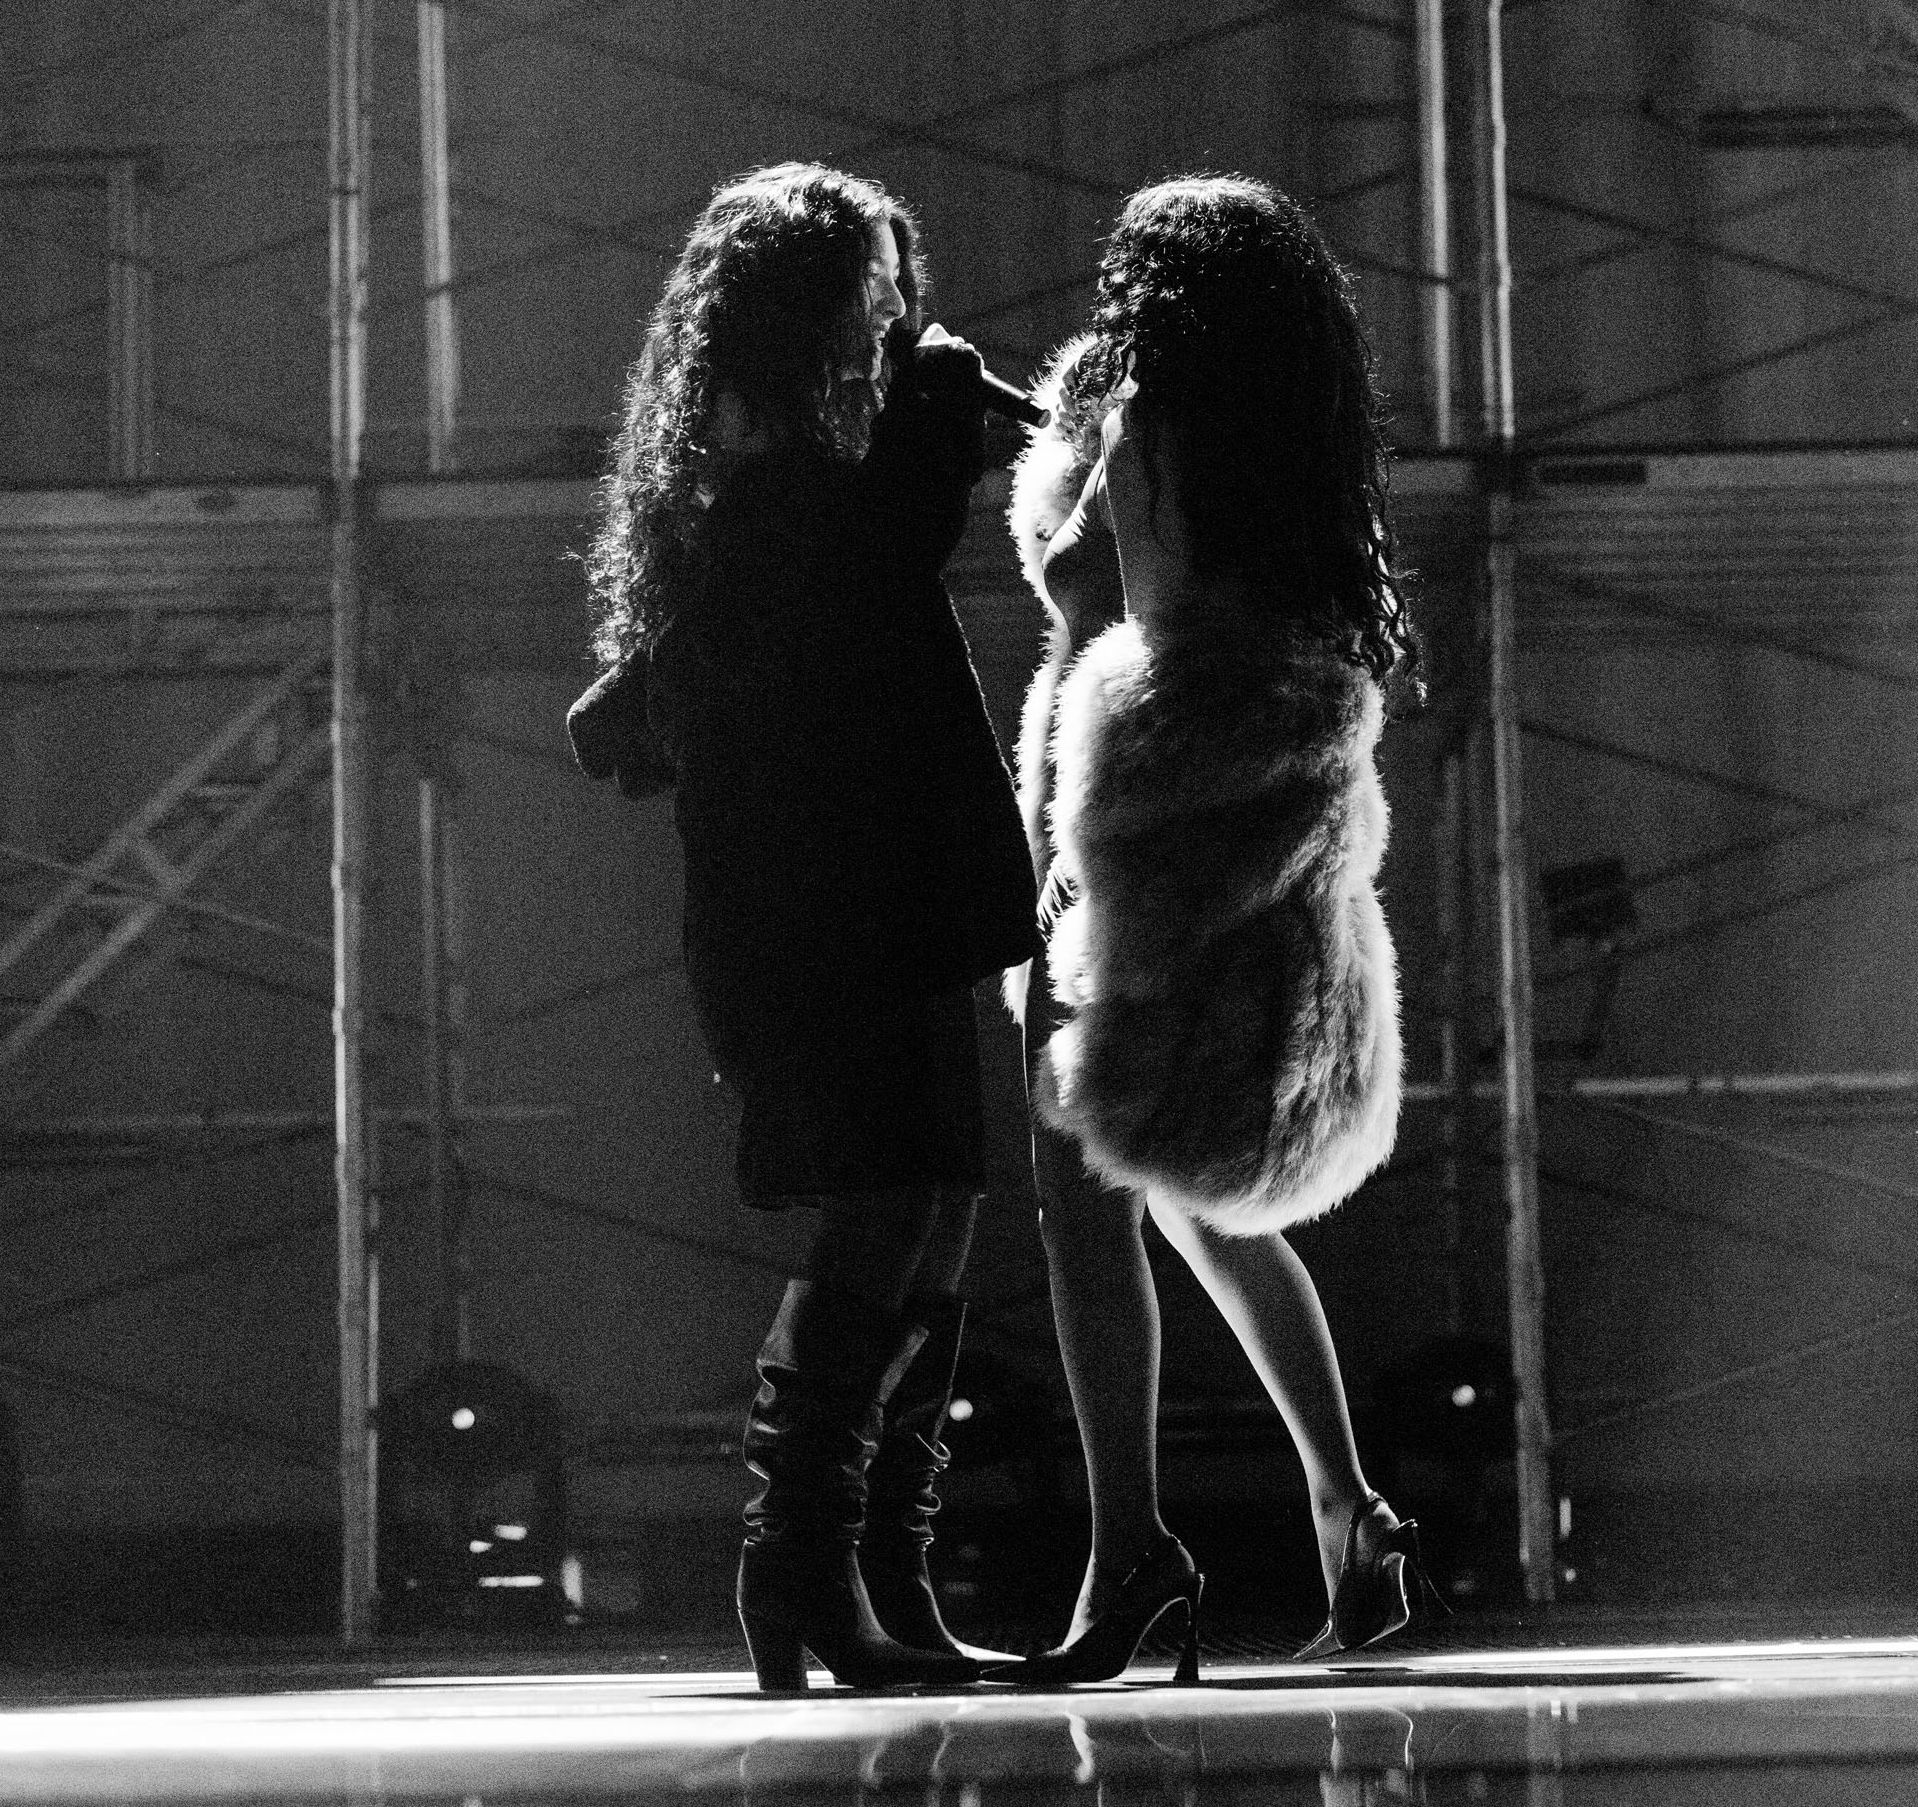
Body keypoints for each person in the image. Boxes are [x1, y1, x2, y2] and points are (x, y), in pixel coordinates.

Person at [569, 160, 1039, 1691]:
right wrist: (933, 413)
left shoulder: (796, 478)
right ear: (803, 317)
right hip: (822, 911)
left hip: (879, 893)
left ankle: (874, 1585)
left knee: (940, 1209)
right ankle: (805, 1581)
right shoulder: (767, 484)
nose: (899, 322)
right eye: (874, 299)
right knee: (889, 1208)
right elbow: (871, 561)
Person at [1007, 174, 1437, 1682]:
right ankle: (1346, 1506)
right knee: (1200, 1199)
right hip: (1229, 853)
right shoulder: (1291, 464)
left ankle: (1129, 1557)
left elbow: (1119, 626)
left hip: (1133, 853)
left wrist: (1071, 862)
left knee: (1085, 1201)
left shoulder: (1145, 434)